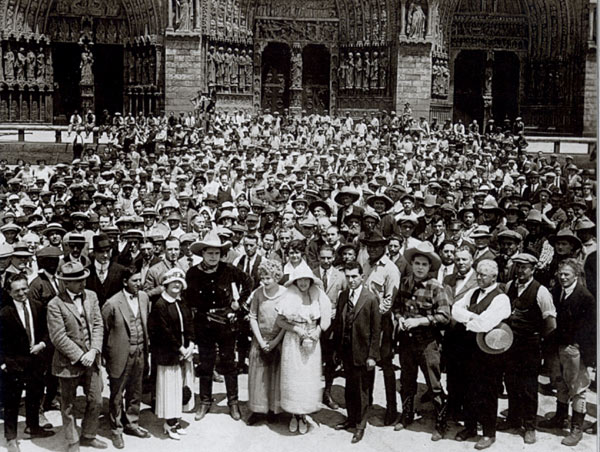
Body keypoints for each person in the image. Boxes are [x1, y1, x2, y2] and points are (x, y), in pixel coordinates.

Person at [186, 230, 252, 421]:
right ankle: (205, 401)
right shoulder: (193, 273)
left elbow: (248, 282)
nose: (213, 257)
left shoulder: (229, 269)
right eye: (209, 253)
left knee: (228, 363)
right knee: (206, 364)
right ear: (202, 254)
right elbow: (189, 301)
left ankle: (233, 402)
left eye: (217, 253)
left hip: (226, 324)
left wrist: (240, 304)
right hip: (204, 324)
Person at [451, 259, 512, 450]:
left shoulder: (501, 299)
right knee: (468, 388)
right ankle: (470, 427)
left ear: (494, 276)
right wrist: (472, 317)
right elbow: (455, 309)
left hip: (489, 353)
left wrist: (468, 318)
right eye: (477, 273)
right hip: (469, 349)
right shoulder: (473, 292)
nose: (478, 277)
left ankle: (488, 433)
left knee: (487, 392)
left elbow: (484, 324)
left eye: (483, 274)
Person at [392, 242, 450, 441]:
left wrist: (420, 321)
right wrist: (399, 318)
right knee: (407, 380)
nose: (419, 267)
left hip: (428, 343)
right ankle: (406, 414)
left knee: (433, 383)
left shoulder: (436, 287)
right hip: (406, 342)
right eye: (417, 263)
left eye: (424, 264)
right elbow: (397, 307)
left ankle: (441, 422)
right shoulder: (405, 282)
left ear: (430, 267)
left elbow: (444, 317)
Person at [46, 261, 106, 452]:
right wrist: (81, 356)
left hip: (92, 358)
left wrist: (94, 350)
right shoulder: (55, 304)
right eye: (78, 281)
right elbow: (58, 337)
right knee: (68, 404)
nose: (82, 283)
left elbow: (98, 324)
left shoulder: (92, 296)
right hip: (68, 362)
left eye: (83, 279)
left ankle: (88, 435)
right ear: (66, 283)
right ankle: (72, 441)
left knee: (96, 399)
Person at [500, 253, 556, 444]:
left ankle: (530, 426)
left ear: (533, 269)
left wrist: (540, 342)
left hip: (529, 346)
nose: (520, 270)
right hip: (510, 344)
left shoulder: (541, 291)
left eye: (524, 267)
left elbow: (550, 323)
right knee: (511, 382)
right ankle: (513, 419)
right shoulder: (509, 286)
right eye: (518, 266)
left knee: (529, 387)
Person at [540, 258, 595, 447]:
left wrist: (582, 352)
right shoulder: (557, 292)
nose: (563, 277)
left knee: (578, 388)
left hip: (575, 349)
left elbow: (590, 329)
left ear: (576, 276)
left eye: (567, 275)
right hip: (557, 347)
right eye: (560, 274)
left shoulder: (585, 297)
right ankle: (560, 417)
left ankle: (576, 428)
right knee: (560, 383)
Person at [1, 273, 55, 452]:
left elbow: (47, 332)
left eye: (24, 289)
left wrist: (42, 344)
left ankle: (33, 427)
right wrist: (3, 364)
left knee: (35, 396)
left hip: (36, 361)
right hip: (13, 364)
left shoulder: (37, 306)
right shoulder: (4, 313)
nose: (22, 293)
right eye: (17, 291)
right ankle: (11, 438)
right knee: (12, 402)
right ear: (9, 292)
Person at [276, 262, 331, 434]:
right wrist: (297, 329)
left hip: (312, 340)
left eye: (306, 280)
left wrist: (318, 331)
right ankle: (294, 414)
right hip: (293, 340)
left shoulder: (318, 295)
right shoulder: (289, 296)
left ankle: (304, 414)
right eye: (299, 280)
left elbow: (326, 317)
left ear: (310, 281)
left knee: (308, 377)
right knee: (294, 376)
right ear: (295, 282)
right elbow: (279, 321)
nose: (303, 284)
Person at [101, 267, 151, 449]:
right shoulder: (112, 303)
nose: (139, 284)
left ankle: (132, 423)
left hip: (140, 352)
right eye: (135, 281)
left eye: (140, 280)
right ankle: (116, 430)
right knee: (116, 394)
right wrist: (106, 357)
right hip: (119, 355)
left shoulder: (144, 298)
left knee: (135, 390)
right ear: (124, 282)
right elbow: (103, 332)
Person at [333, 261, 381, 443]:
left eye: (354, 276)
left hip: (363, 352)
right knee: (350, 388)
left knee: (363, 389)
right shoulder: (343, 296)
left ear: (362, 277)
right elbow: (339, 323)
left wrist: (372, 356)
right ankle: (351, 418)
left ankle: (361, 425)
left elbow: (376, 331)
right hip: (347, 350)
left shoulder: (370, 298)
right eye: (348, 276)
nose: (351, 280)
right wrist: (338, 350)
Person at [148, 268, 195, 440]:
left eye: (180, 283)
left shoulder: (181, 302)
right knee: (169, 388)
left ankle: (175, 420)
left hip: (183, 352)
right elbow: (164, 332)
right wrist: (180, 348)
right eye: (173, 282)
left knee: (180, 387)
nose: (176, 285)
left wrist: (191, 344)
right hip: (168, 353)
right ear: (166, 285)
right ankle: (168, 423)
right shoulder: (160, 305)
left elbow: (189, 324)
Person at [246, 259, 286, 425]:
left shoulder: (285, 293)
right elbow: (253, 317)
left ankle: (273, 409)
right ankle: (258, 409)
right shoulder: (258, 294)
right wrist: (261, 341)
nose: (265, 281)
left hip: (278, 340)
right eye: (262, 278)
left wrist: (276, 341)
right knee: (259, 376)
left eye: (268, 277)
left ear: (277, 277)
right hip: (260, 340)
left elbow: (286, 320)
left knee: (275, 376)